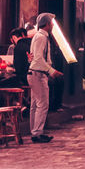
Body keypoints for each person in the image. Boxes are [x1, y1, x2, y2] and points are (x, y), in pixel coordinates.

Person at [28, 13, 55, 142]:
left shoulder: (38, 36)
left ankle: (35, 131)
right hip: (38, 74)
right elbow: (38, 58)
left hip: (34, 73)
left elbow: (34, 56)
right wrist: (51, 71)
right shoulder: (41, 37)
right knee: (42, 104)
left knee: (35, 104)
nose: (53, 25)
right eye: (52, 23)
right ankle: (37, 133)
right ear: (48, 24)